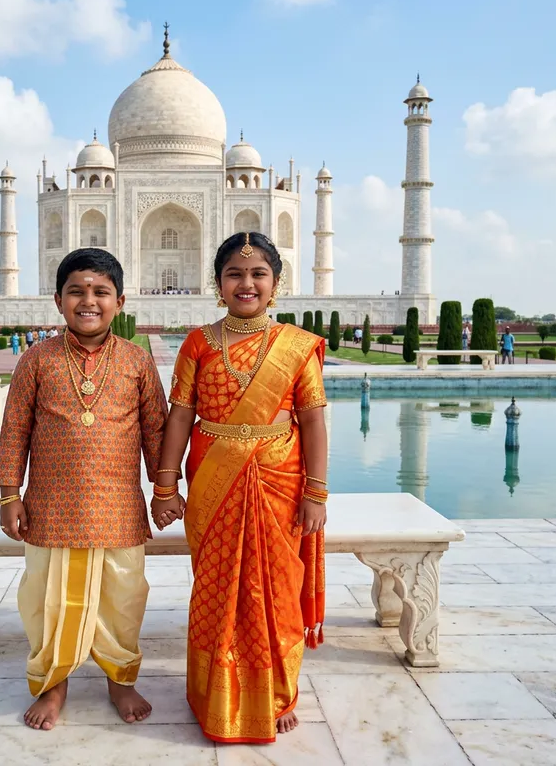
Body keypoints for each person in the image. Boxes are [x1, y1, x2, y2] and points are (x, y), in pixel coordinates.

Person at [153, 232, 328, 744]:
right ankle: (214, 691)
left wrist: (316, 493)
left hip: (280, 480)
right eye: (234, 273)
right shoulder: (199, 343)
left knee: (274, 589)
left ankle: (275, 692)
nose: (246, 283)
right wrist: (165, 486)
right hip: (214, 476)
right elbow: (180, 416)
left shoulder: (295, 346)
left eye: (258, 274)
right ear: (218, 283)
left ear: (276, 284)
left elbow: (313, 422)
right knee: (215, 587)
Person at [0, 248, 168, 731]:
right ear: (58, 300)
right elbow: (15, 430)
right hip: (50, 505)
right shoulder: (37, 359)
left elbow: (156, 430)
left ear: (120, 301)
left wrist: (165, 489)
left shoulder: (136, 361)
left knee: (123, 594)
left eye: (100, 292)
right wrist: (11, 495)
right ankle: (53, 683)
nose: (88, 301)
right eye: (77, 291)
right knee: (46, 596)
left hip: (117, 506)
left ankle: (120, 680)